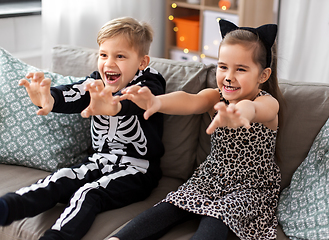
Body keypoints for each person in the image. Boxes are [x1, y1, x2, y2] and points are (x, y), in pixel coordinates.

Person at [108, 19, 284, 240]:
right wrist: (157, 102)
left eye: (240, 69)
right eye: (223, 67)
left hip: (250, 186)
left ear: (263, 76)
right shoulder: (215, 97)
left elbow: (257, 110)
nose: (228, 76)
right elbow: (189, 100)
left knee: (216, 217)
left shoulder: (268, 102)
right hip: (211, 177)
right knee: (171, 204)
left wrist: (242, 114)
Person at [0, 17, 166, 240]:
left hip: (138, 169)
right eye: (104, 55)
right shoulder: (98, 81)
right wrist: (49, 98)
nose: (109, 63)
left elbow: (139, 101)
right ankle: (6, 208)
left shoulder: (150, 81)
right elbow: (74, 92)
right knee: (58, 179)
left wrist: (114, 106)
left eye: (120, 56)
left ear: (142, 62)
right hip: (99, 160)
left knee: (88, 193)